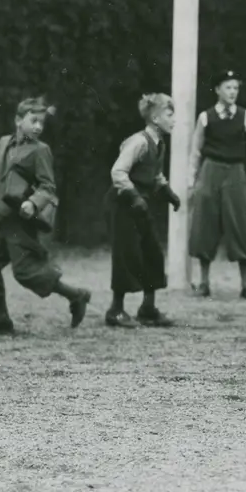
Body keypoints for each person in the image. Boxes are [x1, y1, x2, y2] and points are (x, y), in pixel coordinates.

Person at [0, 98, 91, 334]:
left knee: (27, 272)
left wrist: (33, 203)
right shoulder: (4, 142)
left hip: (20, 222)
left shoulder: (40, 150)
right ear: (18, 120)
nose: (38, 127)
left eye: (42, 123)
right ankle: (2, 319)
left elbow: (48, 187)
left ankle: (76, 295)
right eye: (33, 121)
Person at [187, 70, 246, 300]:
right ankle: (203, 283)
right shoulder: (206, 117)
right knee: (205, 223)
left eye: (236, 88)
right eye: (228, 87)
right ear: (217, 90)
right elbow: (195, 151)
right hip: (210, 171)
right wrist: (191, 182)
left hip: (236, 172)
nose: (233, 92)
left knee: (239, 223)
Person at [106, 93, 181, 329]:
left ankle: (148, 309)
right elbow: (118, 171)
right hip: (124, 202)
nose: (174, 120)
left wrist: (168, 192)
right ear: (156, 118)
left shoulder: (159, 144)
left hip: (141, 204)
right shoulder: (139, 142)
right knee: (126, 254)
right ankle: (115, 310)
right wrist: (134, 195)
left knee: (153, 253)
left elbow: (155, 173)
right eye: (170, 115)